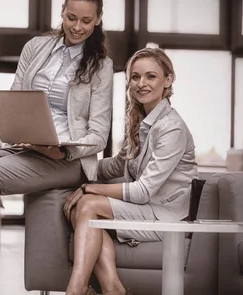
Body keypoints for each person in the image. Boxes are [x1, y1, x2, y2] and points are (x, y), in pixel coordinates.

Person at [0, 1, 113, 294]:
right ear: (61, 11)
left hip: (67, 159)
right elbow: (15, 98)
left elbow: (99, 135)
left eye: (86, 21)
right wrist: (19, 130)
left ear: (98, 19)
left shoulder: (101, 65)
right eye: (71, 17)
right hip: (27, 146)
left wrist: (62, 150)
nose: (77, 27)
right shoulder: (37, 47)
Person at [62, 47, 199, 295]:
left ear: (168, 80)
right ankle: (113, 288)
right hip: (147, 209)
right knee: (80, 207)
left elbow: (143, 191)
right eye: (135, 77)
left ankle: (76, 289)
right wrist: (70, 161)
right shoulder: (141, 122)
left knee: (88, 204)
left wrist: (88, 187)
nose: (141, 83)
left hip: (166, 216)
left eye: (150, 76)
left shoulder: (172, 128)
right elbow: (116, 165)